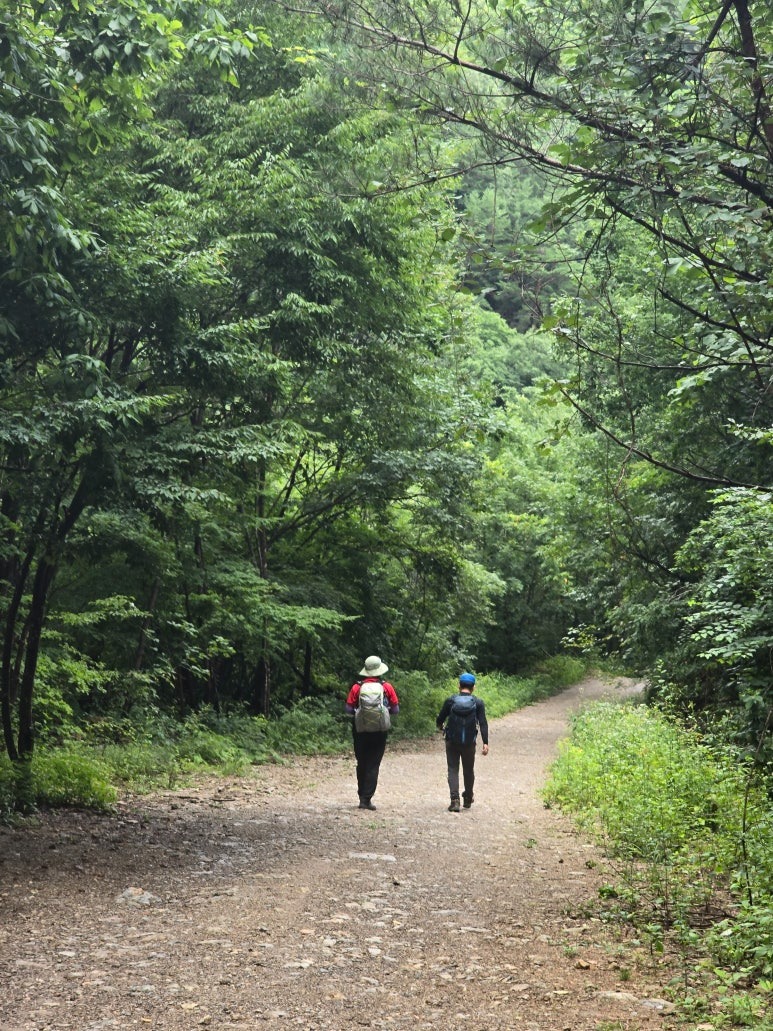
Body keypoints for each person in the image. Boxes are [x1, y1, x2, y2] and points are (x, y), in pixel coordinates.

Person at [345, 655, 400, 810]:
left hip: (360, 730)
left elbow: (349, 710)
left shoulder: (357, 687)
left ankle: (361, 793)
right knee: (373, 763)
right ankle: (366, 799)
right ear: (379, 670)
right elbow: (395, 709)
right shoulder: (386, 687)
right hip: (379, 731)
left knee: (361, 762)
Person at [436, 672, 488, 812]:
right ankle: (468, 797)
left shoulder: (451, 701)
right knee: (468, 769)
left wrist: (440, 726)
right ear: (473, 687)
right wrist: (485, 743)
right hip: (469, 743)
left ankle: (454, 801)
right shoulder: (478, 703)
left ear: (459, 685)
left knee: (453, 769)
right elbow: (483, 723)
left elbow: (440, 718)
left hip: (452, 741)